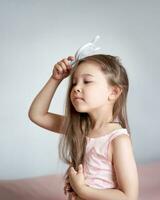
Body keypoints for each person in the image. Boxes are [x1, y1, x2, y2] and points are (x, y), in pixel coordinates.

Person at [28, 54, 139, 200]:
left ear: (113, 92)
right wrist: (56, 79)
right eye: (74, 83)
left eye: (87, 81)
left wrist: (82, 190)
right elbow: (37, 115)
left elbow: (129, 197)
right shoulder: (79, 128)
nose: (76, 88)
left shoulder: (118, 140)